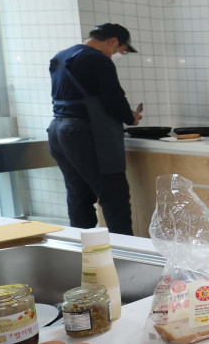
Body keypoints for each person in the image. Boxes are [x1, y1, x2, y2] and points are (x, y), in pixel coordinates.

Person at [47, 23, 142, 235]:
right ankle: (125, 255)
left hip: (58, 130)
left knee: (79, 195)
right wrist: (130, 118)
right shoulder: (98, 59)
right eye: (121, 51)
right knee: (114, 196)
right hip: (86, 133)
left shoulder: (61, 57)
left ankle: (87, 252)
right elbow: (114, 98)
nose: (118, 54)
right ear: (114, 41)